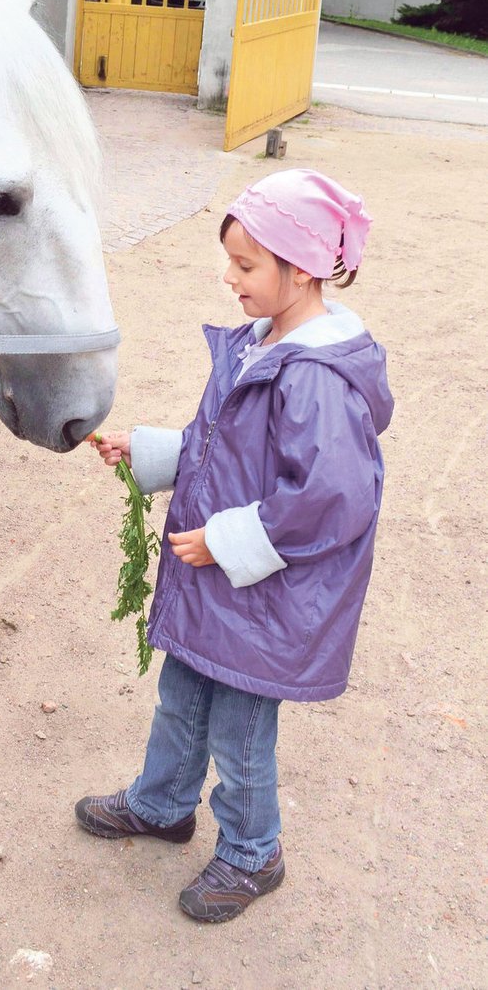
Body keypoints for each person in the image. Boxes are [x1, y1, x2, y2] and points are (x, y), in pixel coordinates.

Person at [77, 168, 394, 923]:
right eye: (231, 261)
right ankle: (162, 804)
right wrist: (152, 451)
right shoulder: (262, 344)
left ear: (303, 267)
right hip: (220, 582)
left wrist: (227, 540)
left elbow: (331, 496)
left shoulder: (315, 377)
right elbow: (220, 444)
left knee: (239, 726)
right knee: (182, 696)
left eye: (247, 265)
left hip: (265, 597)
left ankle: (256, 851)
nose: (230, 278)